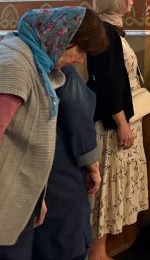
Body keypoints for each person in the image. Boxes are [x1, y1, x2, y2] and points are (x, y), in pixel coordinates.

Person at [0, 7, 108, 258]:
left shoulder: (38, 62)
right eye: (80, 50)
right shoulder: (16, 66)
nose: (81, 60)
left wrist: (38, 197)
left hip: (21, 198)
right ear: (62, 38)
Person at [87, 0, 149, 259]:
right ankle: (96, 252)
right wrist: (122, 124)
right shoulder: (105, 33)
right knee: (105, 189)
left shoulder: (112, 29)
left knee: (113, 187)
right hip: (112, 124)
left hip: (123, 118)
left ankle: (101, 250)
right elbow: (109, 84)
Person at [33, 64, 100, 260]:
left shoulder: (17, 59)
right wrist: (92, 166)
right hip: (61, 170)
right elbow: (78, 118)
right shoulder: (63, 71)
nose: (80, 58)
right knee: (68, 241)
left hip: (32, 173)